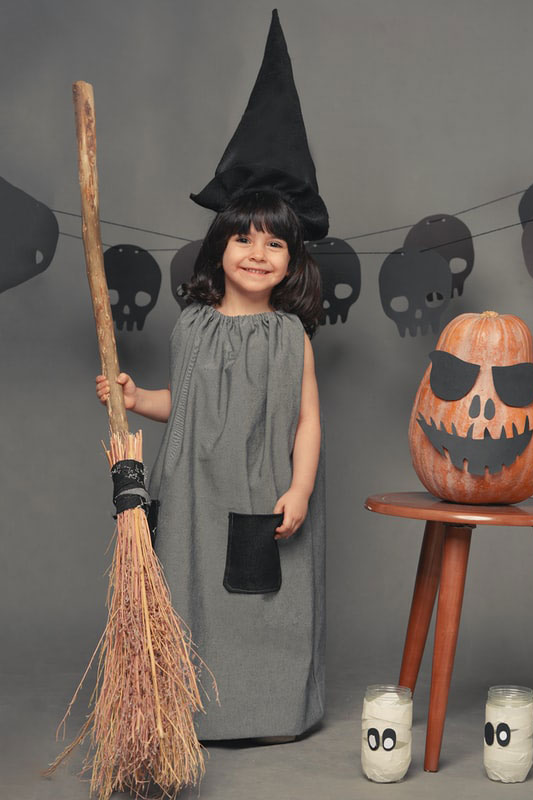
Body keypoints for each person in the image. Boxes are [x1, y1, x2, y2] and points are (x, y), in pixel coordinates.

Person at [96, 187, 326, 741]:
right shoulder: (192, 326)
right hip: (193, 492)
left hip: (261, 488)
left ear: (291, 260)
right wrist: (135, 398)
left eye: (274, 244)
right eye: (243, 238)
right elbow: (185, 404)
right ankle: (184, 713)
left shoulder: (291, 337)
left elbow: (307, 421)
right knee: (190, 595)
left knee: (264, 604)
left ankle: (271, 713)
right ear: (219, 248)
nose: (257, 253)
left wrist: (299, 489)